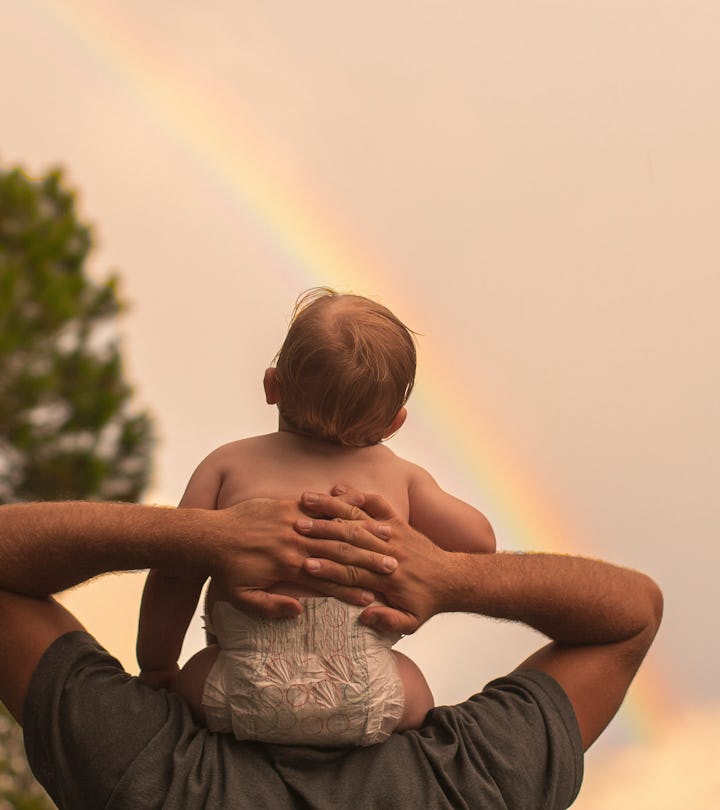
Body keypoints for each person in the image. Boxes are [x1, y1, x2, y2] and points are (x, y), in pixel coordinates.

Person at [0, 491, 662, 809]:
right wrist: (445, 575)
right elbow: (631, 614)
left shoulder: (154, 776)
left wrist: (200, 538)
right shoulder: (465, 785)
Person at [136, 288, 496, 746]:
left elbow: (174, 572)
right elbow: (481, 543)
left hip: (239, 689)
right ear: (394, 423)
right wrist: (403, 536)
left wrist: (159, 667)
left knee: (193, 678)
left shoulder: (227, 464)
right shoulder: (399, 477)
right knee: (417, 690)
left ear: (273, 385)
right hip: (367, 695)